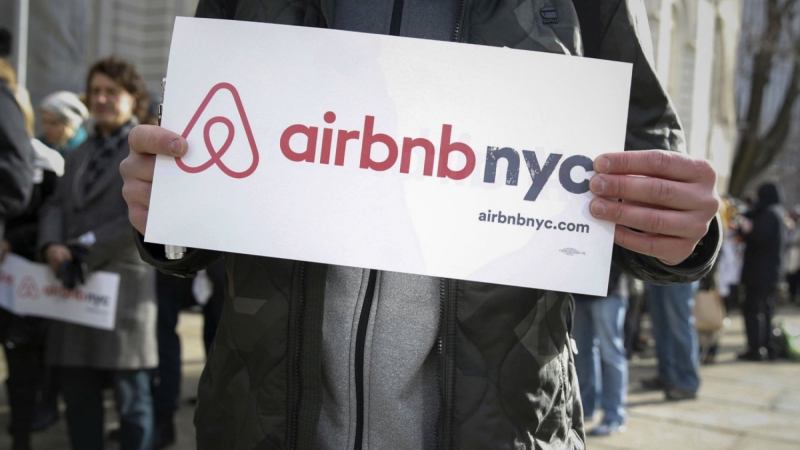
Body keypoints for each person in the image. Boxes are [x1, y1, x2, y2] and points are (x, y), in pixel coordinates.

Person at [121, 1, 722, 448]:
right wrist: (164, 204)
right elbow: (199, 169)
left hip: (502, 426)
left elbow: (647, 157)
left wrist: (677, 229)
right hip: (261, 425)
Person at [38, 57, 157, 450]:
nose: (101, 99)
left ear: (133, 98)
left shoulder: (147, 154)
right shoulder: (79, 152)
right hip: (75, 292)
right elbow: (55, 204)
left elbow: (139, 216)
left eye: (112, 91)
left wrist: (80, 249)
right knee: (79, 398)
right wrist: (51, 245)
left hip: (123, 292)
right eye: (96, 92)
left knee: (132, 402)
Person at [573, 267, 628, 436]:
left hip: (609, 289)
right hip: (577, 290)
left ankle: (614, 417)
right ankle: (583, 411)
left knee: (611, 355)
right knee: (581, 354)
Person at [737, 182, 787, 361]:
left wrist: (746, 230)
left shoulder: (769, 214)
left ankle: (756, 349)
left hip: (759, 273)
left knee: (753, 309)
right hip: (771, 272)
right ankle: (766, 346)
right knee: (766, 310)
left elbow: (759, 237)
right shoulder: (777, 213)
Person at [641, 282, 701, 400]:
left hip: (680, 275)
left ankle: (687, 382)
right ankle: (668, 376)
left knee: (679, 325)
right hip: (656, 275)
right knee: (660, 324)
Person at [38, 90, 89, 154]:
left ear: (71, 125)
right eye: (44, 122)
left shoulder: (86, 151)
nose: (47, 128)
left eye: (54, 123)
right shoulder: (39, 147)